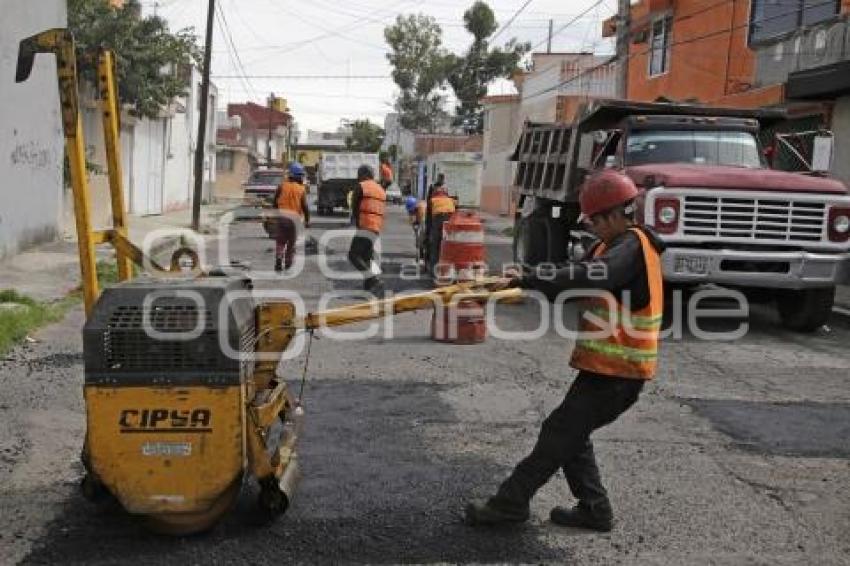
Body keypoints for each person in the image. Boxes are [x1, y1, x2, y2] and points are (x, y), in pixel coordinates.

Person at [465, 170, 665, 532]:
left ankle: (510, 503)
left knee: (560, 432)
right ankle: (594, 509)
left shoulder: (632, 245)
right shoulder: (611, 244)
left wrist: (528, 278)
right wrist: (523, 277)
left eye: (596, 221)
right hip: (606, 369)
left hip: (620, 373)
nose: (593, 229)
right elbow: (573, 272)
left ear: (614, 214)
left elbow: (595, 275)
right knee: (571, 433)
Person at [348, 164, 387, 296]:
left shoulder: (362, 186)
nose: (358, 178)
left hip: (365, 225)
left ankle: (374, 279)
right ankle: (369, 285)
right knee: (366, 257)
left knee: (353, 255)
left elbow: (354, 205)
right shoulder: (380, 189)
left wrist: (356, 221)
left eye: (359, 175)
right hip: (376, 227)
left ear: (364, 175)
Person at [272, 162, 310, 273]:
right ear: (299, 176)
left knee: (280, 241)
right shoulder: (301, 189)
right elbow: (305, 206)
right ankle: (288, 263)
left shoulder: (281, 186)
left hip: (282, 218)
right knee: (291, 243)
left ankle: (279, 257)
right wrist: (307, 220)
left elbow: (275, 202)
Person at [424, 178, 455, 274]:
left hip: (438, 219)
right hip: (450, 219)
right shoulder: (450, 200)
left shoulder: (433, 200)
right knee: (448, 243)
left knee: (435, 243)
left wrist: (427, 235)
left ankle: (434, 268)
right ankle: (449, 267)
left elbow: (428, 220)